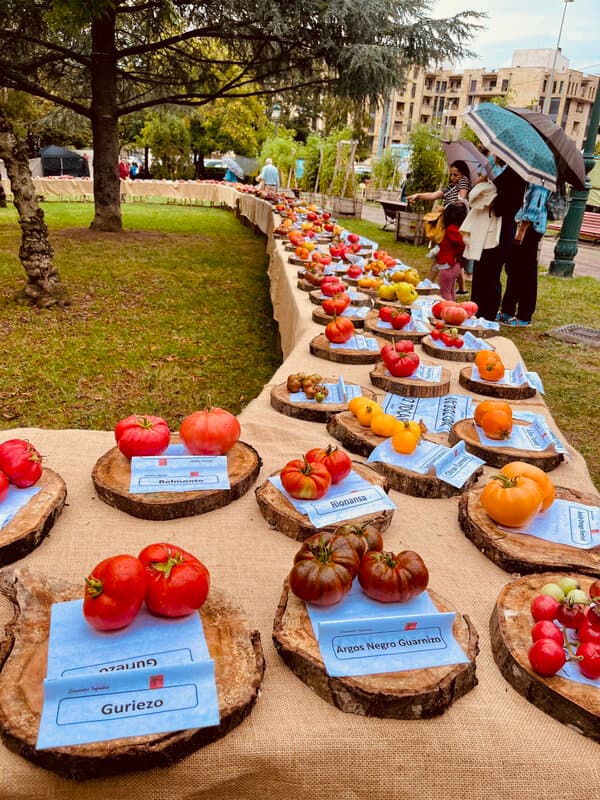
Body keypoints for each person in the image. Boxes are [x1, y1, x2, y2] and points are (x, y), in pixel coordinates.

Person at [468, 165, 527, 321]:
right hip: (495, 230)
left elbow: (503, 207)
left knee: (490, 273)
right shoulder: (508, 173)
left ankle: (486, 315)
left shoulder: (515, 176)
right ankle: (476, 310)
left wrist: (490, 187)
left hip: (501, 232)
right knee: (482, 271)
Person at [407, 160, 471, 292]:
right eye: (451, 174)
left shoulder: (464, 182)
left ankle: (427, 282)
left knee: (442, 251)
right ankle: (463, 287)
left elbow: (461, 201)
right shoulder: (451, 186)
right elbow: (433, 195)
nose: (452, 178)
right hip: (449, 222)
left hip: (455, 223)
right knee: (451, 254)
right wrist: (418, 195)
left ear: (463, 175)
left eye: (455, 175)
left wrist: (446, 209)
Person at [497, 184, 551, 327]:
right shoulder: (531, 177)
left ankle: (524, 315)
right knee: (513, 270)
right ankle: (507, 309)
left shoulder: (542, 178)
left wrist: (522, 230)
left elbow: (534, 206)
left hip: (530, 229)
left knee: (526, 273)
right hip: (522, 225)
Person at [429, 203, 468, 301]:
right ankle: (454, 308)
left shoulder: (451, 229)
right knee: (451, 291)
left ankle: (449, 311)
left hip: (448, 265)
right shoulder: (458, 229)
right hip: (455, 265)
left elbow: (461, 245)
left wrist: (457, 256)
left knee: (445, 292)